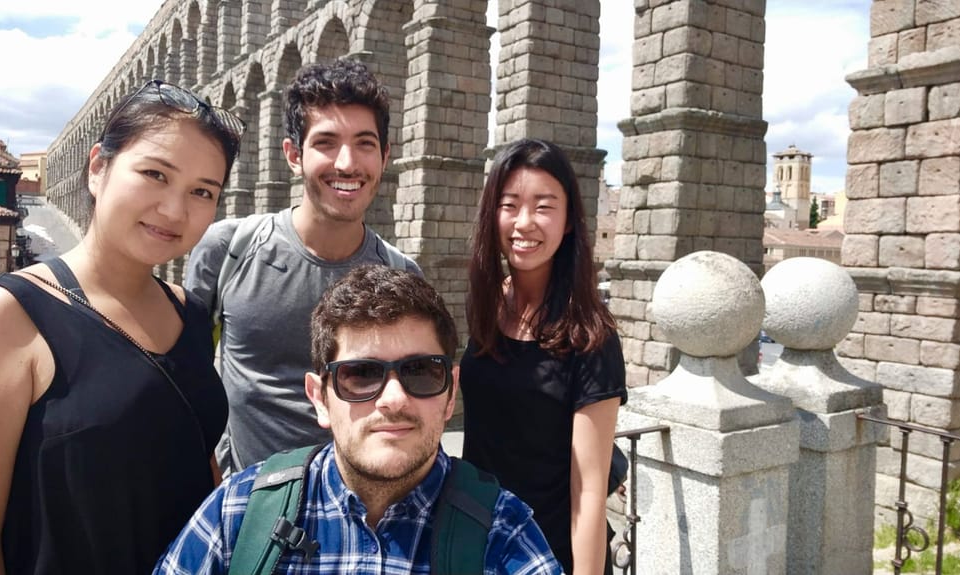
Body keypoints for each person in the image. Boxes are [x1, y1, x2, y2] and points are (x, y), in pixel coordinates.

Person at [0, 80, 242, 574]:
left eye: (202, 191)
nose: (175, 210)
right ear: (98, 168)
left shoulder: (191, 314)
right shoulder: (10, 312)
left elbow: (196, 459)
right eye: (154, 174)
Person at [155, 265, 561, 574]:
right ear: (319, 398)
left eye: (421, 371)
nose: (394, 398)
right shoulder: (239, 513)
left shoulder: (503, 533)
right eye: (361, 375)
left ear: (451, 391)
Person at [184, 59, 421, 476]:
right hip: (248, 514)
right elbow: (185, 381)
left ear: (385, 157)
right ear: (293, 155)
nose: (347, 163)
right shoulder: (228, 250)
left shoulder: (402, 277)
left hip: (361, 518)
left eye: (365, 143)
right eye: (326, 142)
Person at [461, 139, 628, 575]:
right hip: (476, 541)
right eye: (510, 204)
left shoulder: (591, 334)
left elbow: (589, 488)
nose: (524, 222)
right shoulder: (486, 306)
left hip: (546, 554)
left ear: (570, 219)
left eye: (543, 206)